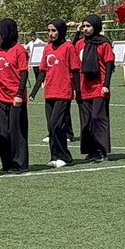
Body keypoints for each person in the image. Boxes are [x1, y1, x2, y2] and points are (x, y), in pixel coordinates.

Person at [30, 19, 76, 168]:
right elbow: (43, 71)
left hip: (63, 91)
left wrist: (77, 91)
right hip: (49, 92)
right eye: (49, 30)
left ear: (61, 31)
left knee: (57, 124)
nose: (51, 34)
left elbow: (75, 70)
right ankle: (55, 156)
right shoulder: (48, 48)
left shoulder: (68, 47)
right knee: (51, 126)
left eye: (54, 30)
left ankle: (66, 157)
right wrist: (33, 92)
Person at [74, 15, 115, 163]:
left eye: (88, 26)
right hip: (84, 87)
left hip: (99, 87)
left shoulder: (104, 44)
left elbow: (109, 65)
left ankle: (101, 150)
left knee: (98, 118)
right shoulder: (79, 44)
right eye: (83, 26)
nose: (85, 29)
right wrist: (76, 87)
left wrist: (106, 85)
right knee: (86, 121)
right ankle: (90, 150)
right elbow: (73, 59)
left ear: (96, 27)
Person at [0, 18, 30, 173]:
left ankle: (19, 163)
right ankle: (6, 162)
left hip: (15, 97)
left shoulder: (19, 50)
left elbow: (23, 73)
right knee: (1, 131)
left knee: (16, 131)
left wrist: (19, 94)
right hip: (0, 96)